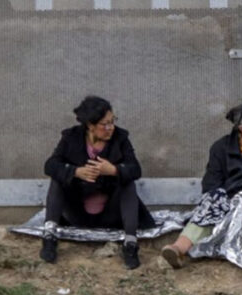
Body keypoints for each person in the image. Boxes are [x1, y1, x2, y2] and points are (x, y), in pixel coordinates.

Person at [161, 103, 242, 279]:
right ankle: (178, 249)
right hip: (229, 201)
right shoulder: (221, 148)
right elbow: (211, 183)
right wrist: (224, 204)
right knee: (207, 209)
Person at [41, 95, 156, 269]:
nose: (110, 128)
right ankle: (49, 237)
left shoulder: (120, 138)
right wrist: (76, 172)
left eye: (112, 121)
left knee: (128, 182)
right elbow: (50, 165)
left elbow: (135, 169)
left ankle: (130, 244)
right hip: (78, 213)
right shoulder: (71, 137)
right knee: (58, 179)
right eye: (105, 124)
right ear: (90, 125)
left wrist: (114, 170)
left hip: (110, 214)